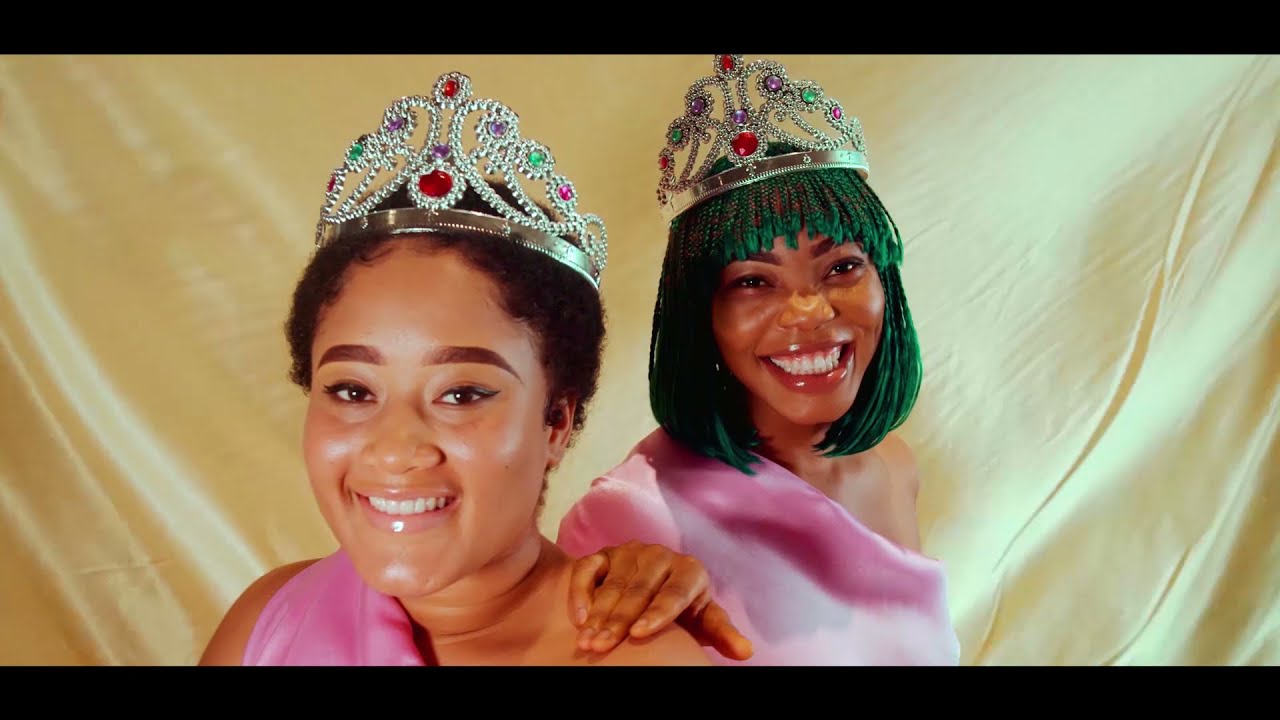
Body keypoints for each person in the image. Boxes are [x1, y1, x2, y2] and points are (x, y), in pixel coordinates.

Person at [199, 71, 724, 665]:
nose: (395, 451)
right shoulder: (269, 618)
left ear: (555, 422)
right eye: (351, 390)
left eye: (461, 394)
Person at [557, 55, 962, 665]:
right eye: (752, 282)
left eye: (843, 267)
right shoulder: (627, 518)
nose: (809, 311)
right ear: (702, 318)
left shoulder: (893, 463)